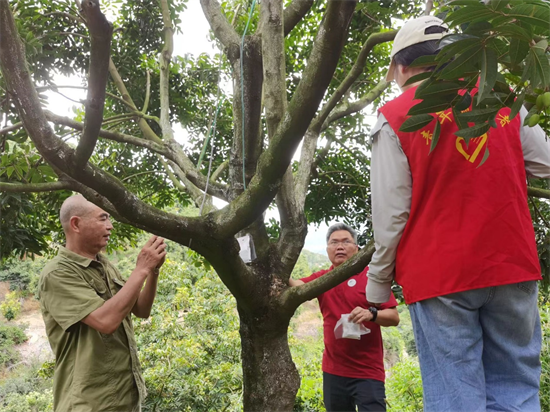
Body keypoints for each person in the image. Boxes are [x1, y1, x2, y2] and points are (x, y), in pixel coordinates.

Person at [367, 15, 550, 412]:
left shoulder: (395, 117)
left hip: (439, 276)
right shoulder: (500, 99)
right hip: (511, 262)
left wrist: (377, 287)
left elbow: (391, 215)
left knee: (456, 398)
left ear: (399, 67)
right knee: (517, 390)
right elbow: (546, 163)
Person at [38, 194, 167, 412]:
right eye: (103, 218)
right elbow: (106, 321)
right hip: (90, 403)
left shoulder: (104, 265)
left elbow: (141, 310)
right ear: (76, 224)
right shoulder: (57, 273)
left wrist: (153, 271)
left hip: (125, 398)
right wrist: (141, 269)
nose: (110, 226)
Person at [290, 223, 399, 412]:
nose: (339, 246)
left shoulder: (371, 279)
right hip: (333, 371)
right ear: (327, 250)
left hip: (368, 372)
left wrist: (371, 314)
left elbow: (394, 317)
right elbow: (297, 286)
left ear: (356, 249)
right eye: (334, 242)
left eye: (346, 241)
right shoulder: (323, 279)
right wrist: (276, 269)